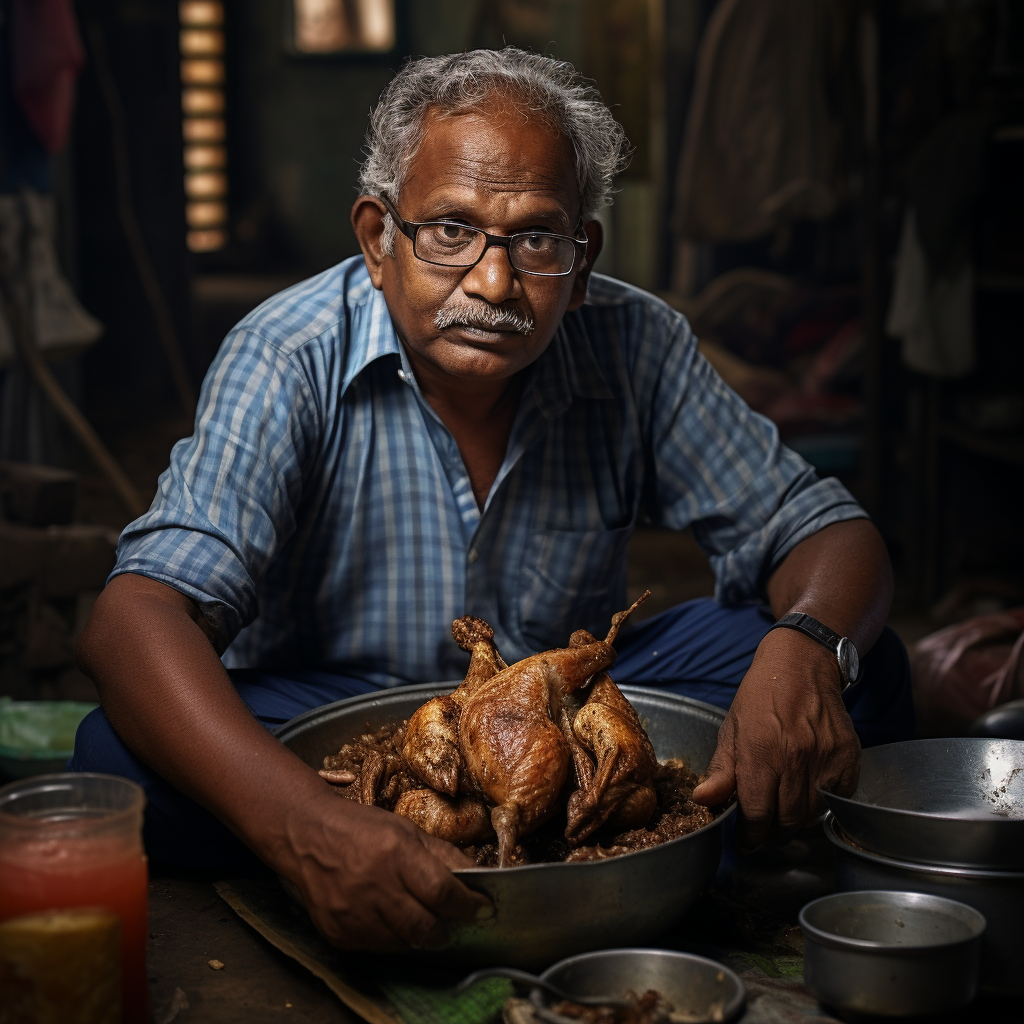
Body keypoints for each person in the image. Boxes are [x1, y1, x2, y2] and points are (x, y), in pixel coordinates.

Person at [74, 48, 912, 952]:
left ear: (582, 257)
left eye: (537, 239)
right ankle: (603, 849)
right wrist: (298, 825)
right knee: (116, 758)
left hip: (553, 716)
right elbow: (134, 618)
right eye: (449, 231)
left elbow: (826, 530)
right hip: (340, 729)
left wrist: (808, 651)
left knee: (854, 669)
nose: (494, 283)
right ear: (377, 237)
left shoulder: (636, 343)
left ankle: (540, 833)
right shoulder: (286, 354)